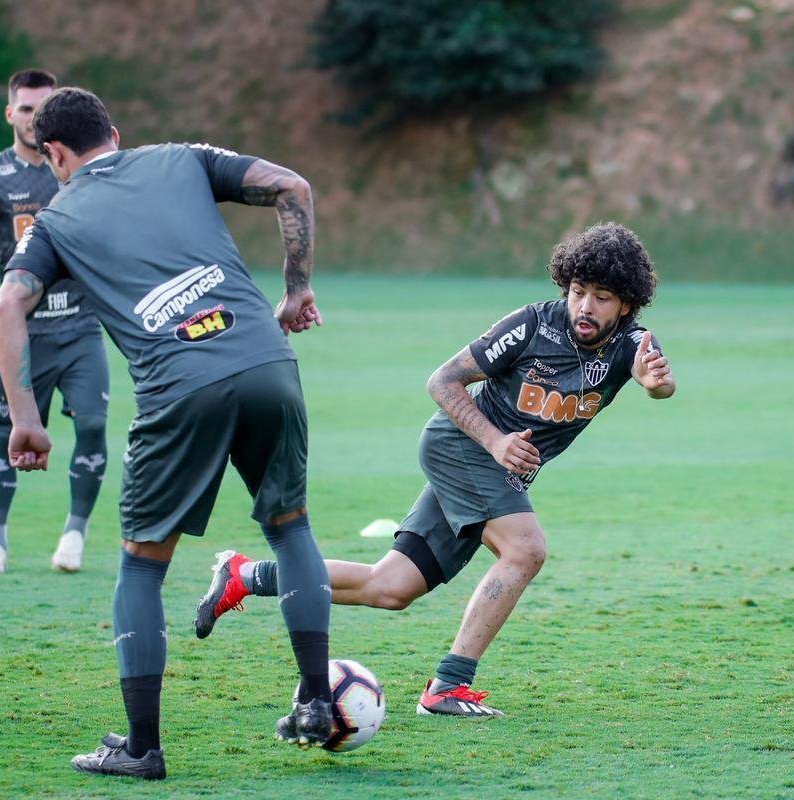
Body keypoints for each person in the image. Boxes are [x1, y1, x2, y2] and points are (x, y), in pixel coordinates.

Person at [196, 221, 675, 718]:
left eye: (601, 297)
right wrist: (495, 441)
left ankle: (245, 575)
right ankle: (448, 686)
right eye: (578, 292)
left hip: (492, 470)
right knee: (525, 549)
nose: (585, 307)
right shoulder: (532, 325)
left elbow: (660, 384)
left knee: (390, 587)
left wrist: (654, 382)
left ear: (625, 305)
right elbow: (442, 380)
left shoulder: (632, 346)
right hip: (461, 447)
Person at [0, 86, 330, 780]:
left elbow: (6, 307)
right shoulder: (183, 157)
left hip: (179, 386)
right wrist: (295, 289)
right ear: (113, 132)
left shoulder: (53, 223)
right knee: (290, 528)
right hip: (267, 360)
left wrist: (25, 417)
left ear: (54, 153)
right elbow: (291, 186)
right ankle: (319, 703)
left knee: (142, 565)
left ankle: (143, 747)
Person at [0, 69, 108, 575]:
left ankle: (74, 536)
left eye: (43, 109)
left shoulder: (75, 168)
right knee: (6, 429)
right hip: (22, 331)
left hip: (81, 327)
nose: (34, 118)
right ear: (10, 114)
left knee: (92, 423)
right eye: (26, 109)